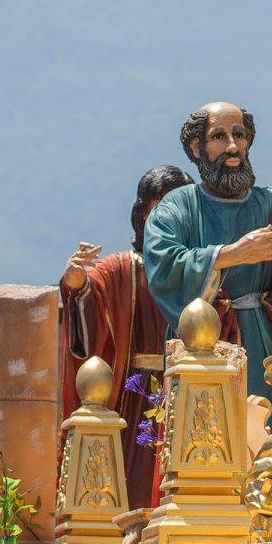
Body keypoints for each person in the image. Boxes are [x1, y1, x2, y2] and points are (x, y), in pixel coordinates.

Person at [142, 102, 272, 416]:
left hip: (263, 339)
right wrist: (231, 254)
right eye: (219, 136)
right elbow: (164, 264)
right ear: (197, 147)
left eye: (239, 135)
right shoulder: (177, 207)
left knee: (270, 432)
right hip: (205, 342)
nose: (232, 146)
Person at [56, 164, 192, 508]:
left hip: (191, 386)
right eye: (156, 211)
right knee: (136, 482)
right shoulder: (123, 267)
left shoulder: (196, 267)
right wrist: (76, 283)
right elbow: (89, 294)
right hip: (136, 394)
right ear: (142, 216)